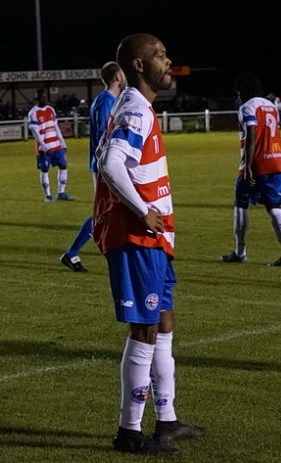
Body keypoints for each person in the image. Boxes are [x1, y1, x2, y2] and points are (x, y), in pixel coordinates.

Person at [93, 33, 205, 455]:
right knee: (144, 328)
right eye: (159, 55)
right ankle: (129, 432)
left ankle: (168, 420)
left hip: (155, 238)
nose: (168, 61)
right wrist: (143, 210)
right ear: (138, 66)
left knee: (163, 324)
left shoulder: (140, 109)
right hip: (138, 236)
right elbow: (110, 164)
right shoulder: (136, 110)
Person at [221, 73, 281, 267]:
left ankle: (240, 252)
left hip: (257, 163)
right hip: (277, 161)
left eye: (239, 91)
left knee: (240, 204)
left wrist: (249, 166)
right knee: (274, 207)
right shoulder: (271, 106)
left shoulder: (247, 107)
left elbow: (252, 133)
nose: (238, 96)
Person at [59, 61, 126, 272]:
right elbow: (103, 136)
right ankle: (72, 253)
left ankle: (115, 253)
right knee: (104, 212)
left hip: (101, 164)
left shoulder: (102, 99)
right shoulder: (107, 101)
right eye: (122, 74)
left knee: (111, 211)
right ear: (117, 77)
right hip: (104, 166)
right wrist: (109, 164)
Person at [27, 88, 75, 202]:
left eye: (45, 96)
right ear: (37, 99)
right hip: (44, 148)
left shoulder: (50, 110)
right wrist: (45, 147)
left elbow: (56, 127)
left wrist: (62, 143)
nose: (45, 98)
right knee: (45, 169)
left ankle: (61, 193)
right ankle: (47, 195)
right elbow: (36, 134)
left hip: (56, 145)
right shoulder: (33, 113)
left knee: (63, 165)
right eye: (42, 97)